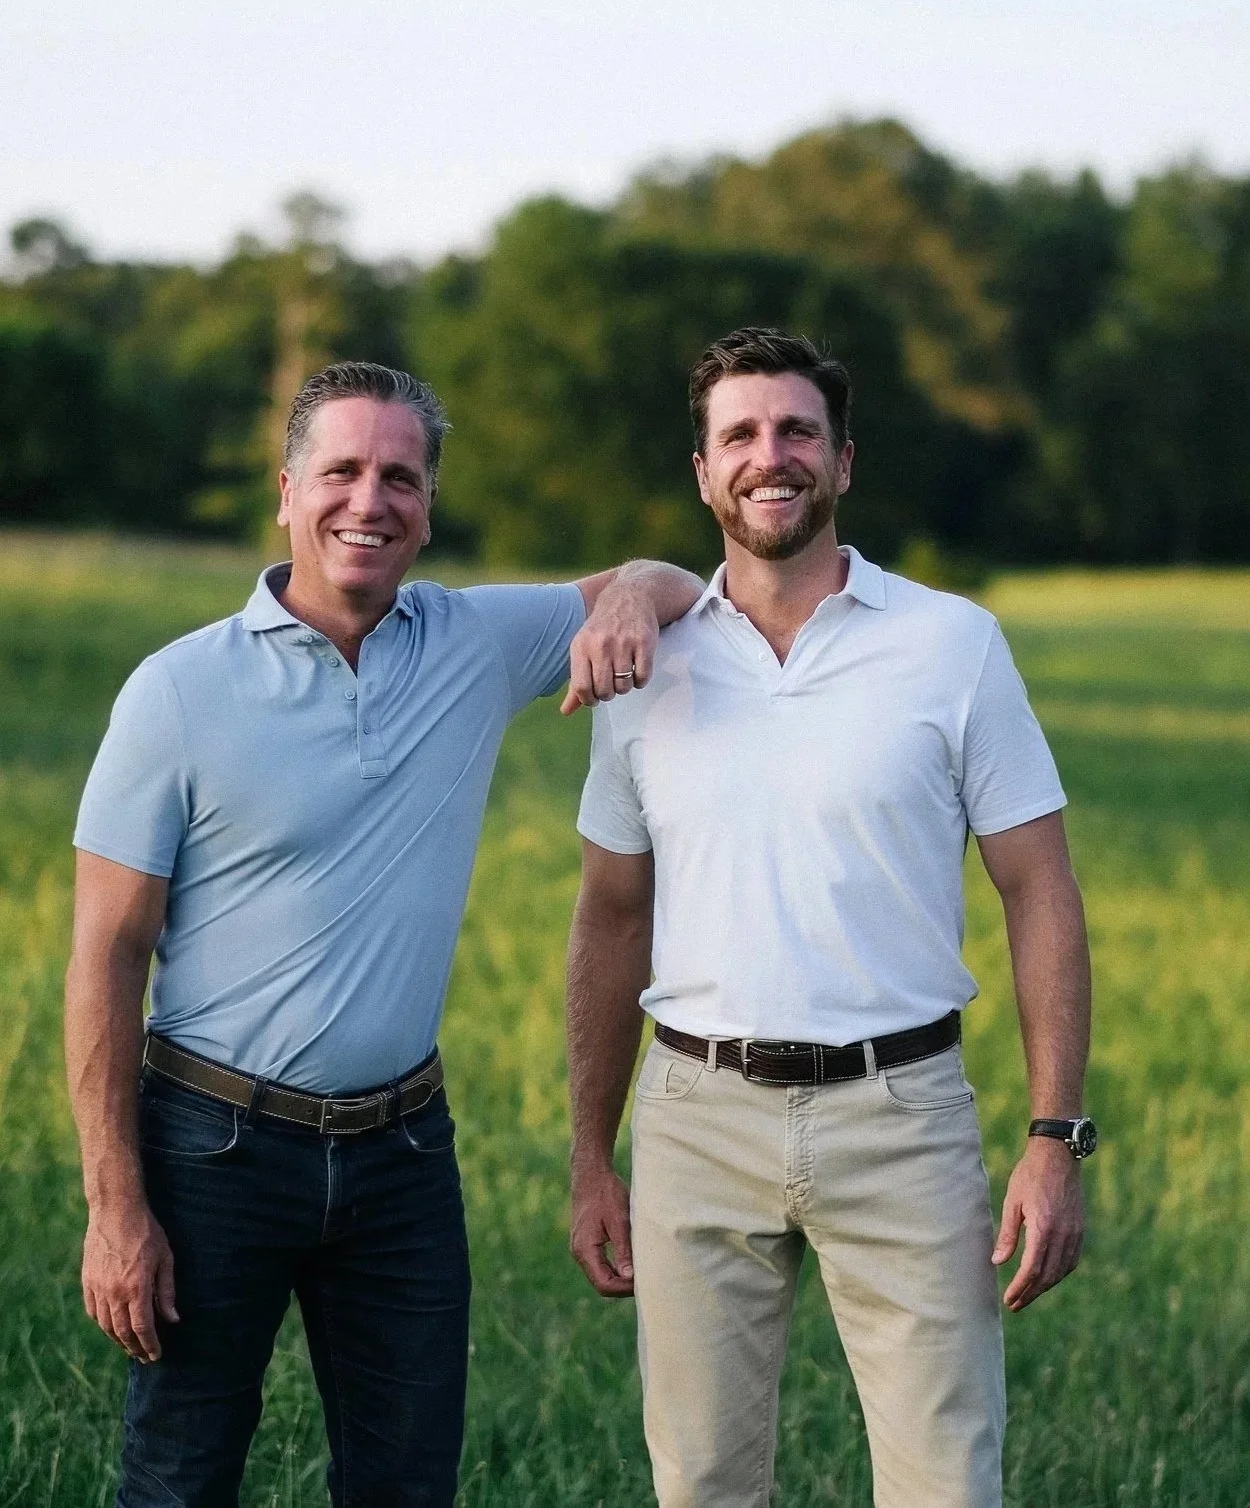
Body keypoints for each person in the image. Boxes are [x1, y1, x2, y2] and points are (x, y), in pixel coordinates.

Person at [66, 360, 703, 1508]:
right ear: (286, 489)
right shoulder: (176, 691)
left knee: (408, 1481)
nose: (371, 499)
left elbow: (670, 576)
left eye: (400, 476)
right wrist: (118, 1206)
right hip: (212, 1149)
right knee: (178, 1474)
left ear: (428, 504)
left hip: (402, 1156)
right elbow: (108, 954)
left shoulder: (470, 639)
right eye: (343, 470)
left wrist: (617, 600)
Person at [566, 327, 1096, 1508]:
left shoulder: (950, 644)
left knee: (946, 1485)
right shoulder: (640, 660)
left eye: (797, 429)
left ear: (843, 461)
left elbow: (1039, 887)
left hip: (901, 1113)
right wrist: (589, 1156)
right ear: (702, 472)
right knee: (699, 1483)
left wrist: (1055, 1135)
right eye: (740, 435)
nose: (771, 455)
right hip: (694, 1118)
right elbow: (609, 916)